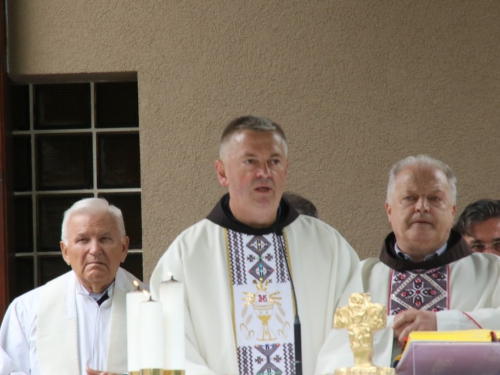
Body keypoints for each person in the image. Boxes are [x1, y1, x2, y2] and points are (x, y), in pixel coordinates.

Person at [150, 115, 359, 375]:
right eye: (250, 161)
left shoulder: (328, 247)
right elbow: (173, 346)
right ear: (222, 172)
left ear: (286, 170)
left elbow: (351, 335)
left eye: (274, 161)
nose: (264, 173)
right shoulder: (186, 256)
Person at [316, 155, 500, 373]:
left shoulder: (493, 272)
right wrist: (392, 328)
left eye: (435, 199)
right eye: (410, 198)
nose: (422, 207)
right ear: (389, 210)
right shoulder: (359, 277)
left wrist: (443, 324)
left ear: (452, 212)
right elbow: (331, 355)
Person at [0, 198, 147, 375]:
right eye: (83, 240)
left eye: (105, 239)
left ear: (124, 248)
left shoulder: (154, 306)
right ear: (66, 252)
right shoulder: (27, 310)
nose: (94, 249)